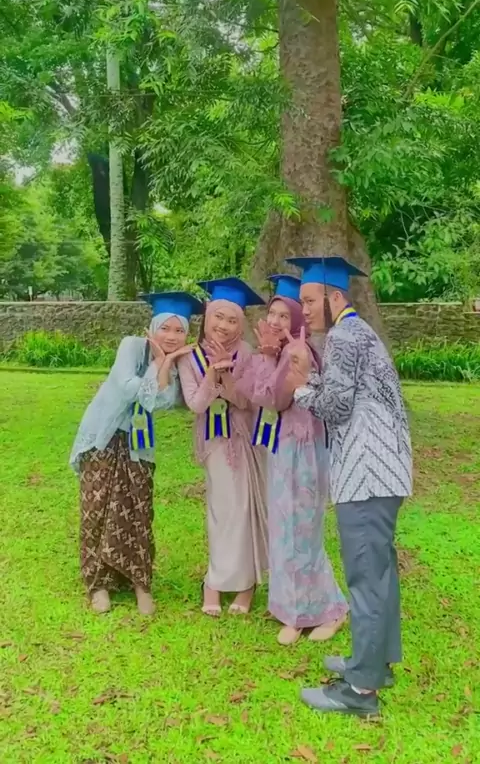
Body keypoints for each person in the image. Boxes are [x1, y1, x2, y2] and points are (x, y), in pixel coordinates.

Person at [283, 256, 413, 717]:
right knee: (379, 573)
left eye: (309, 301)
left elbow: (335, 409)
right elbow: (347, 393)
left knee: (365, 577)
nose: (303, 310)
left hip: (367, 474)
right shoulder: (360, 332)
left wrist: (300, 387)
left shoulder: (341, 336)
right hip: (385, 470)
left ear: (334, 297)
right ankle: (375, 662)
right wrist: (314, 378)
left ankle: (360, 691)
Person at [70, 291, 203, 616]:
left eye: (179, 331)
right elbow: (127, 386)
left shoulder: (176, 363)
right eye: (165, 328)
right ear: (152, 327)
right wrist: (159, 363)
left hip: (138, 444)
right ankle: (98, 584)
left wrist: (168, 363)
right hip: (103, 437)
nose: (171, 336)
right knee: (97, 507)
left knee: (138, 507)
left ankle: (139, 581)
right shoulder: (131, 346)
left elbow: (163, 401)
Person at [237, 274, 348, 646]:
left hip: (303, 452)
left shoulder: (297, 352)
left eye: (285, 316)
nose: (275, 321)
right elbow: (257, 393)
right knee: (285, 530)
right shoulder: (287, 350)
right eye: (272, 314)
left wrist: (269, 356)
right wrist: (268, 356)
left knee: (301, 532)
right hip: (283, 448)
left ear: (298, 319)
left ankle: (330, 609)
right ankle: (291, 608)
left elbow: (274, 398)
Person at [178, 277, 268, 617]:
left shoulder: (247, 354)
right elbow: (196, 404)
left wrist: (227, 375)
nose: (224, 326)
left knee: (243, 509)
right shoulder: (189, 358)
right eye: (218, 317)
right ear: (207, 316)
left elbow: (246, 402)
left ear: (240, 324)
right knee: (220, 509)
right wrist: (212, 373)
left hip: (244, 442)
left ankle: (246, 584)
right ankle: (214, 581)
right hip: (214, 443)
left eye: (232, 320)